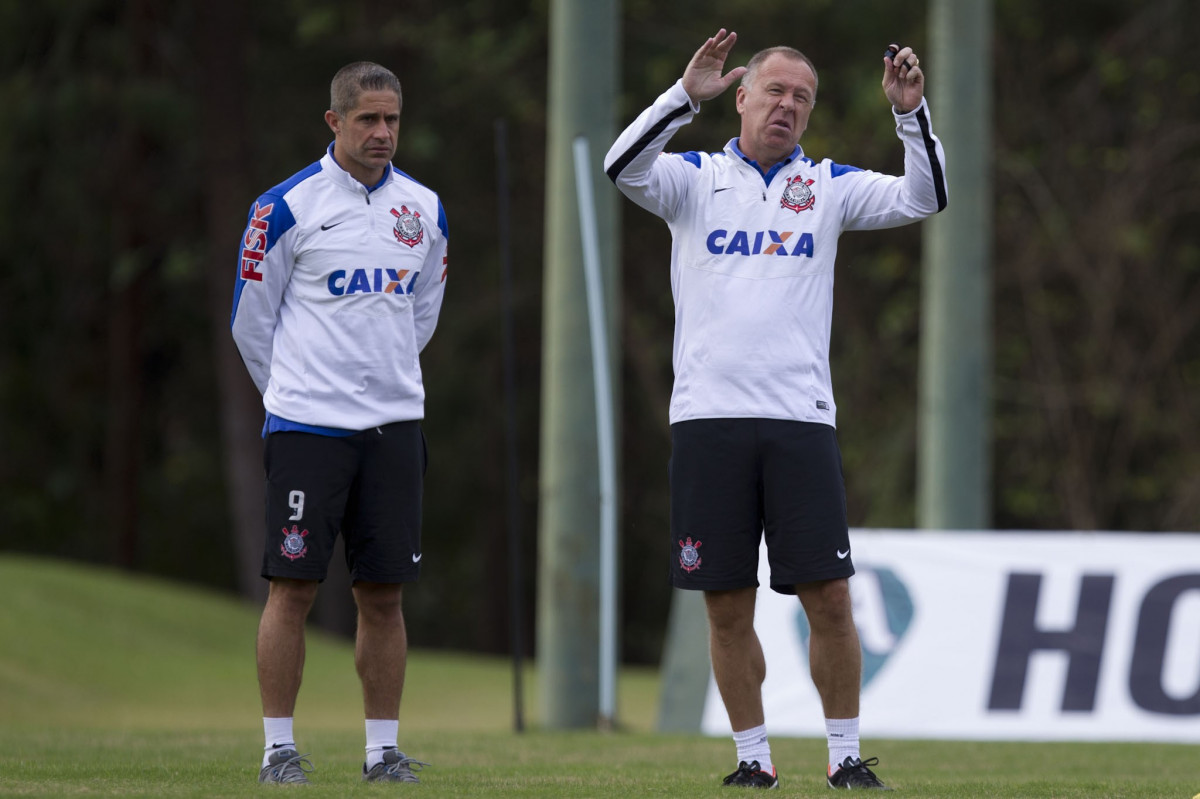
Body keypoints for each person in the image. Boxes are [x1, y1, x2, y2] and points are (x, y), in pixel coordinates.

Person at [605, 29, 946, 790]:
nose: (789, 106)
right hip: (707, 421)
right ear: (742, 95)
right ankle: (753, 761)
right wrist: (680, 99)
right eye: (777, 91)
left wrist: (909, 116)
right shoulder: (692, 179)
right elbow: (620, 166)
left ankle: (845, 756)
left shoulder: (827, 186)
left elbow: (925, 196)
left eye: (804, 97)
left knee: (828, 598)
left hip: (800, 422)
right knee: (727, 604)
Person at [231, 61, 448, 785]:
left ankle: (383, 751)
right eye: (367, 120)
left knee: (383, 594)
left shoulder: (425, 207)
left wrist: (377, 383)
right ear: (334, 122)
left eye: (392, 120)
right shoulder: (284, 207)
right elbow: (251, 323)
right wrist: (296, 395)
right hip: (307, 428)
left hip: (393, 428)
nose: (383, 133)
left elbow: (419, 315)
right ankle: (277, 749)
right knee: (291, 588)